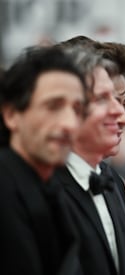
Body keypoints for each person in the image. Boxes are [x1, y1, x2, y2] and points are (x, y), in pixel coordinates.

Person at [53, 38, 125, 275]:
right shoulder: (38, 186)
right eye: (104, 100)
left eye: (123, 102)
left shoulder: (111, 181)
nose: (123, 116)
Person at [0, 46, 87, 275]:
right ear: (11, 115)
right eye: (53, 106)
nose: (70, 123)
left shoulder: (51, 187)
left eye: (77, 110)